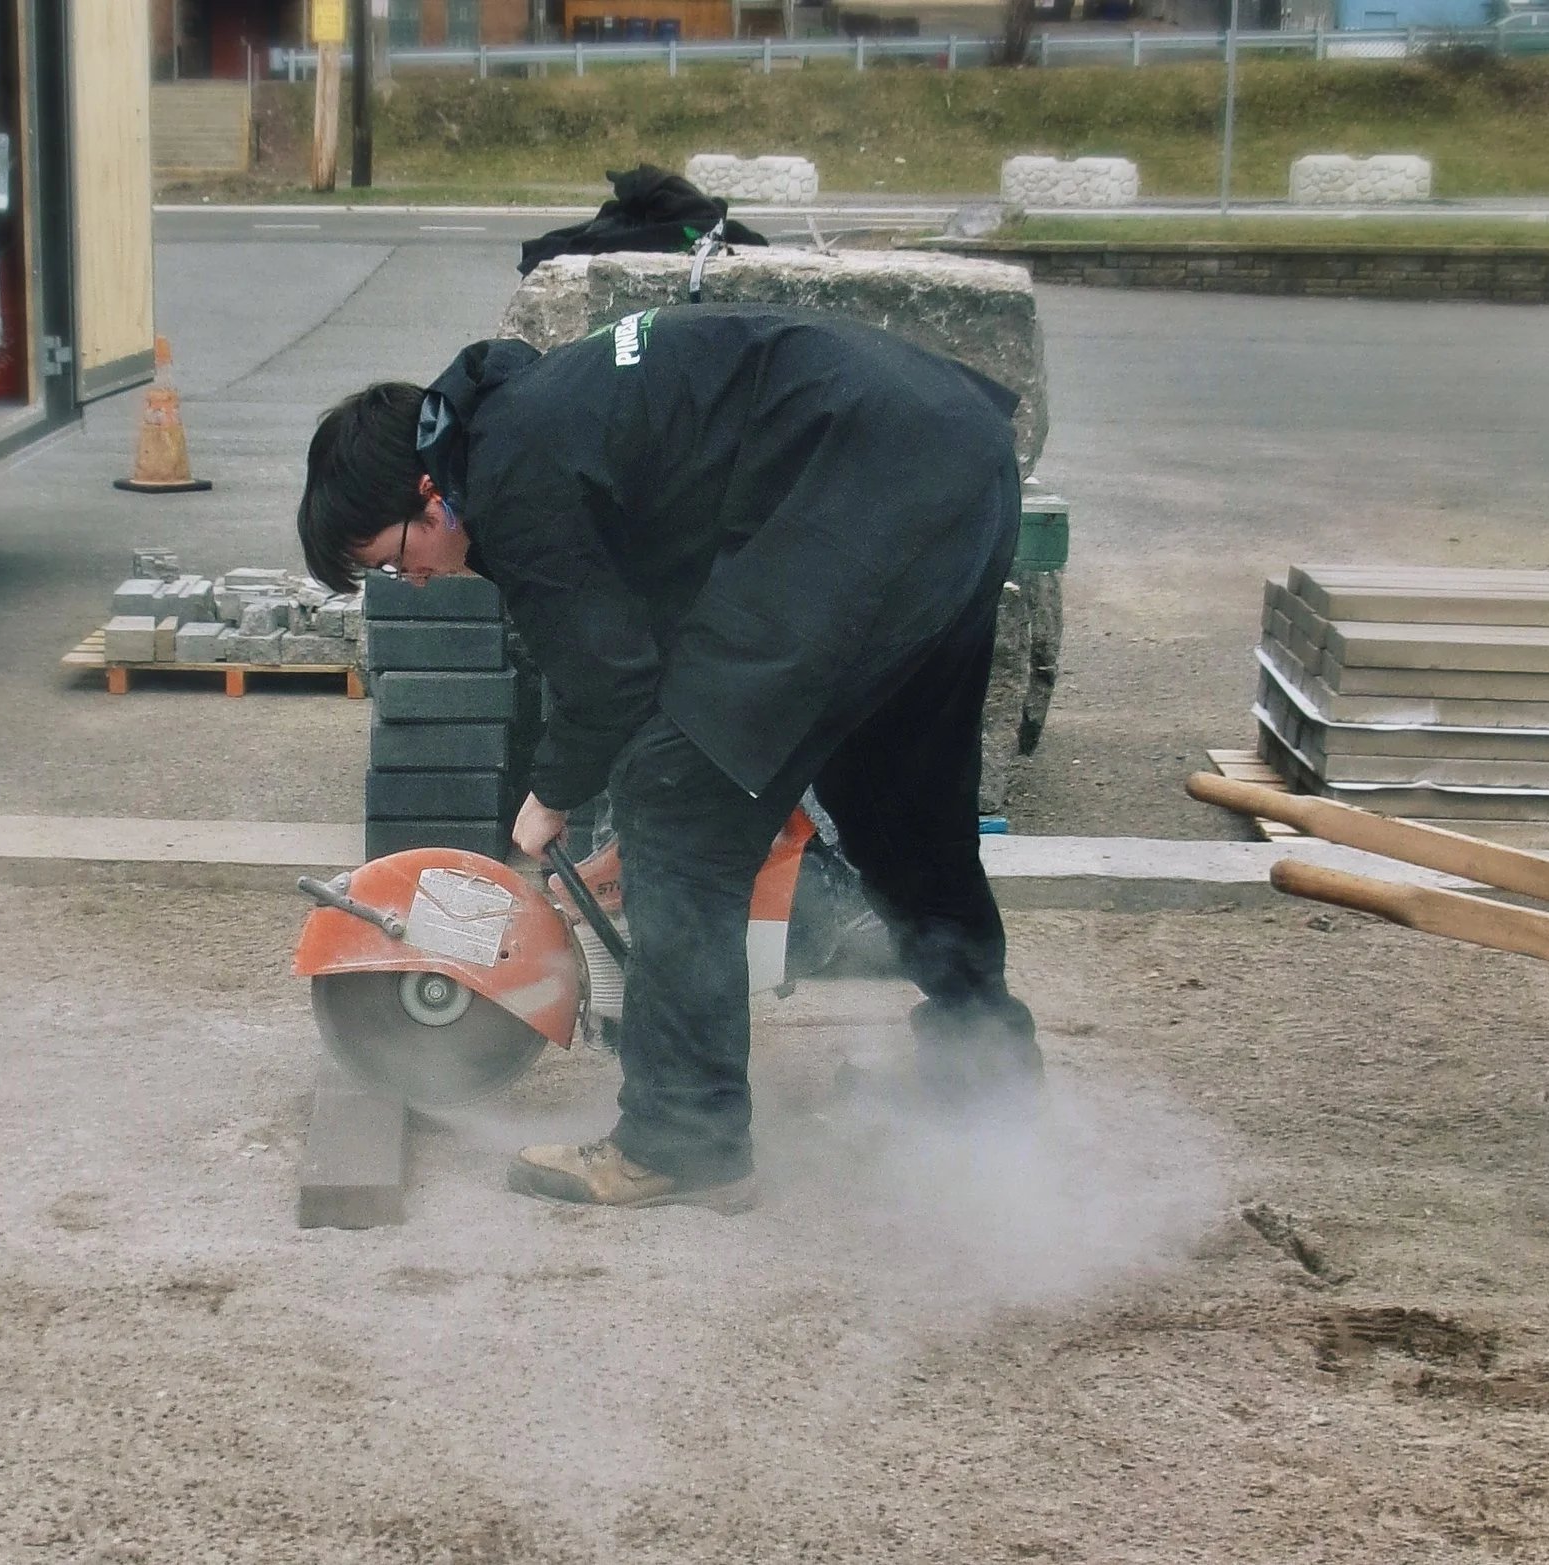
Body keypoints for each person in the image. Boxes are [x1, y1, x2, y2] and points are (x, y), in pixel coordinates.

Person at [297, 303, 1042, 1214]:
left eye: (392, 558)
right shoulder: (542, 419)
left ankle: (680, 1138)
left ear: (426, 492)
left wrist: (553, 798)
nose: (410, 580)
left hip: (866, 478)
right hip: (954, 455)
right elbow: (661, 647)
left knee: (678, 803)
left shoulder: (511, 471)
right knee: (895, 788)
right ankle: (983, 1066)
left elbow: (609, 674)